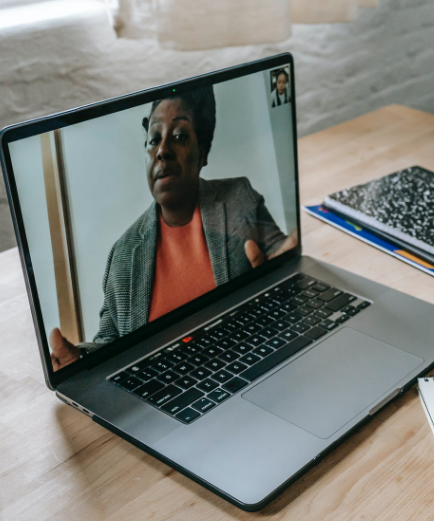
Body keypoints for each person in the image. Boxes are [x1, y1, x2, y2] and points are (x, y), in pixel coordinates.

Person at [49, 86, 297, 369]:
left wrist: (287, 265)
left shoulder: (239, 197)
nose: (162, 151)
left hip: (249, 363)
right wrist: (81, 360)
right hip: (162, 392)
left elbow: (279, 250)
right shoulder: (123, 253)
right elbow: (110, 342)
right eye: (154, 140)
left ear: (202, 154)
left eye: (179, 136)